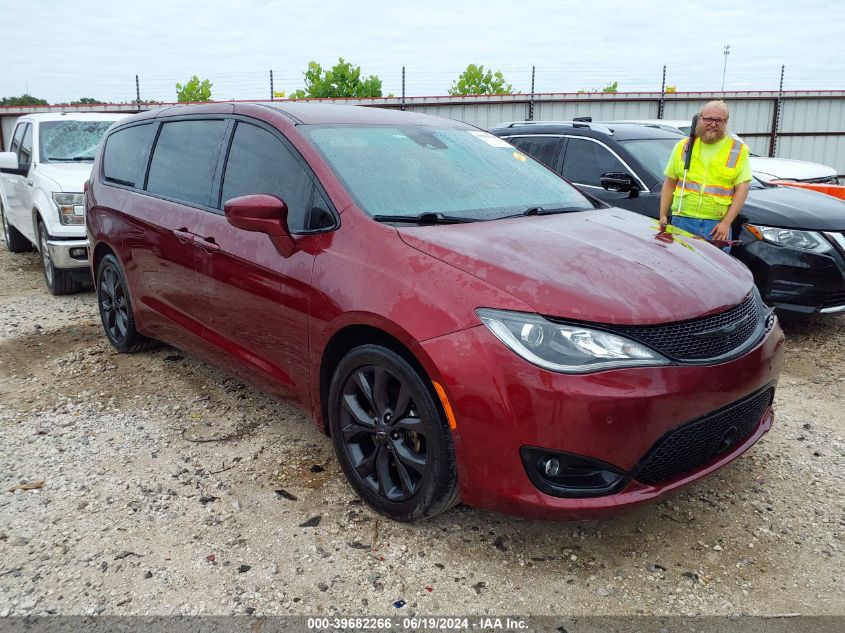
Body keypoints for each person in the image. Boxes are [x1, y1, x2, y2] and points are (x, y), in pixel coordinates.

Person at [659, 100, 752, 253]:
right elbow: (670, 182)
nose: (713, 124)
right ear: (699, 118)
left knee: (716, 270)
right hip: (682, 220)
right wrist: (663, 215)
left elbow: (743, 189)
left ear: (726, 122)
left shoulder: (738, 150)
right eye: (708, 119)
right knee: (682, 268)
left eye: (719, 120)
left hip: (716, 225)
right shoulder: (683, 146)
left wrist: (726, 222)